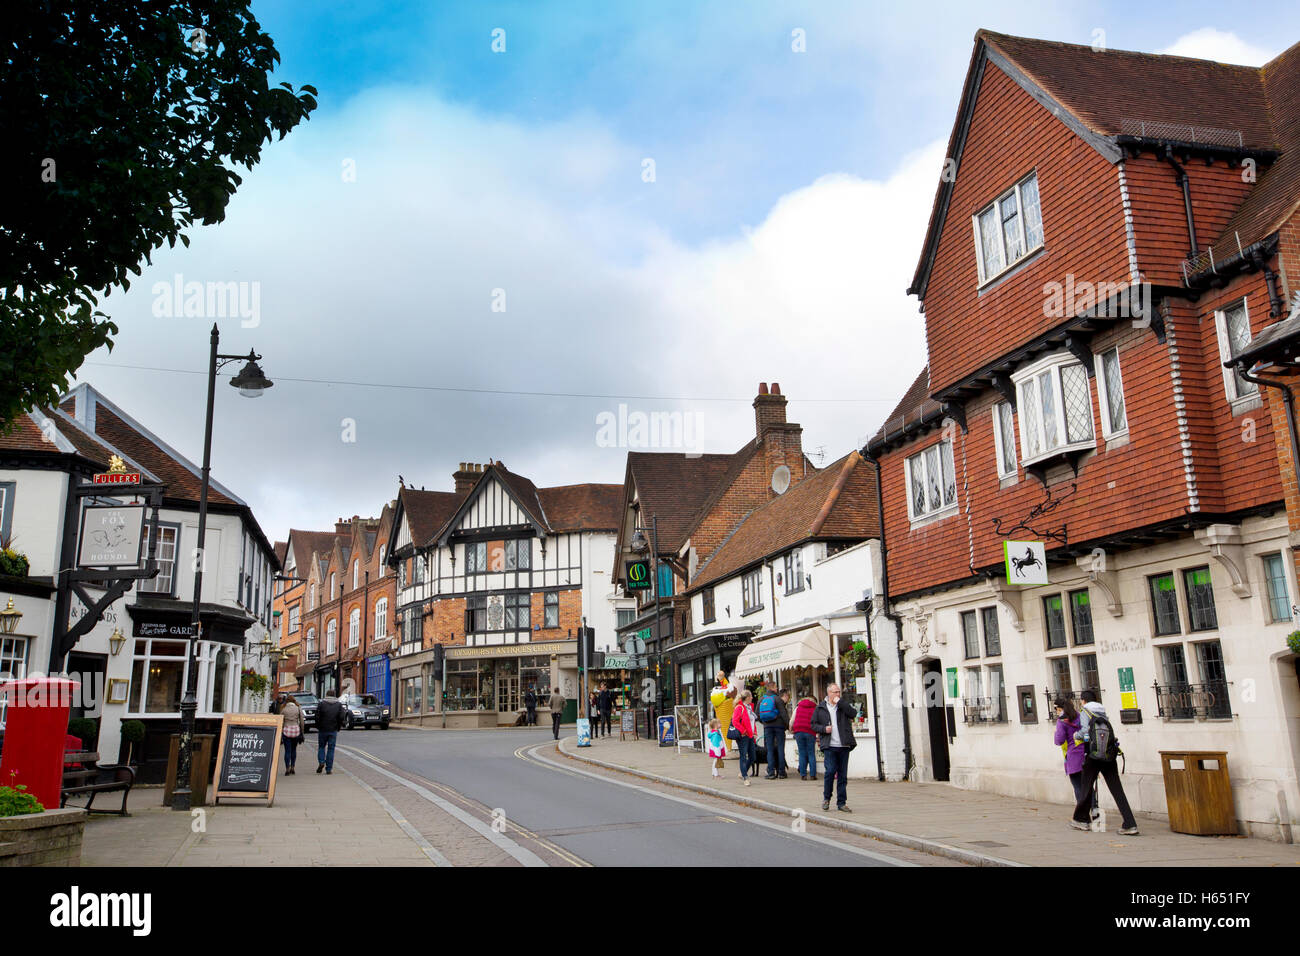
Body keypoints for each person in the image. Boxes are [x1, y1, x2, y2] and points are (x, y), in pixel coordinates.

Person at [1070, 689, 1139, 835]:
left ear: (1083, 700)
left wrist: (1076, 735)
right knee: (1117, 789)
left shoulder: (1086, 711)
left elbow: (1085, 732)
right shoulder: (1102, 712)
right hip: (1109, 754)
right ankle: (1130, 823)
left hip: (1093, 756)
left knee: (1086, 786)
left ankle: (1081, 819)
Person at [813, 683, 856, 812]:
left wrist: (841, 703)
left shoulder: (843, 706)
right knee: (830, 771)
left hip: (843, 744)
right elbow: (813, 724)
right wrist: (823, 729)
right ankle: (826, 798)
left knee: (842, 775)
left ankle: (841, 802)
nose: (837, 694)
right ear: (828, 693)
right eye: (835, 692)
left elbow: (853, 713)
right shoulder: (821, 707)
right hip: (829, 745)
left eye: (838, 692)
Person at [1053, 697, 1094, 814]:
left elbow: (1059, 741)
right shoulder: (1080, 716)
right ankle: (1095, 811)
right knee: (1089, 786)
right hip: (1087, 754)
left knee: (1078, 787)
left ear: (1060, 708)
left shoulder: (1062, 721)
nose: (1056, 711)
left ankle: (1082, 815)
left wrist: (1057, 731)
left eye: (1056, 709)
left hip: (1074, 758)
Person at [731, 689, 759, 786]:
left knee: (752, 757)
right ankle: (745, 777)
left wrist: (754, 732)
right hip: (743, 736)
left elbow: (752, 721)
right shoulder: (739, 707)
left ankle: (743, 772)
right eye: (751, 696)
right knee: (743, 756)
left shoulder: (749, 707)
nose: (752, 698)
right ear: (747, 698)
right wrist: (743, 731)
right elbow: (735, 721)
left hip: (750, 735)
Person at [762, 688, 790, 779]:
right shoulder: (778, 699)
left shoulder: (763, 699)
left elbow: (757, 714)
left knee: (769, 750)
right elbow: (784, 714)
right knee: (780, 749)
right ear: (774, 688)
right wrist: (788, 726)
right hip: (779, 727)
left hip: (767, 727)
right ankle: (781, 772)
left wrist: (765, 723)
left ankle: (771, 772)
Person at [314, 694, 346, 774]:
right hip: (333, 729)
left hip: (323, 729)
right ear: (334, 696)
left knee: (321, 747)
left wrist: (318, 726)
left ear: (327, 695)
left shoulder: (321, 704)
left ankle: (321, 762)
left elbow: (317, 716)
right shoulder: (338, 705)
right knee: (331, 749)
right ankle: (329, 769)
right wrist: (338, 725)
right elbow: (342, 716)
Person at [790, 693, 819, 780]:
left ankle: (803, 774)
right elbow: (817, 721)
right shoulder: (815, 708)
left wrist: (791, 728)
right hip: (810, 731)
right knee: (811, 753)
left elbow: (792, 720)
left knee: (802, 753)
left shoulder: (798, 707)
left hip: (798, 731)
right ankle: (813, 775)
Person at [710, 672, 739, 753]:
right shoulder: (723, 690)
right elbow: (726, 686)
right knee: (727, 726)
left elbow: (726, 685)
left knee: (727, 726)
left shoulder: (724, 688)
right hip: (725, 700)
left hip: (723, 700)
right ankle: (729, 748)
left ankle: (729, 748)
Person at [280, 694, 305, 775]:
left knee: (287, 751)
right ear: (294, 701)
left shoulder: (283, 709)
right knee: (294, 750)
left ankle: (287, 768)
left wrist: (280, 731)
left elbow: (281, 721)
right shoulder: (298, 708)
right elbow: (302, 721)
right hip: (295, 731)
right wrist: (302, 732)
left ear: (286, 701)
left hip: (286, 730)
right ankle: (293, 767)